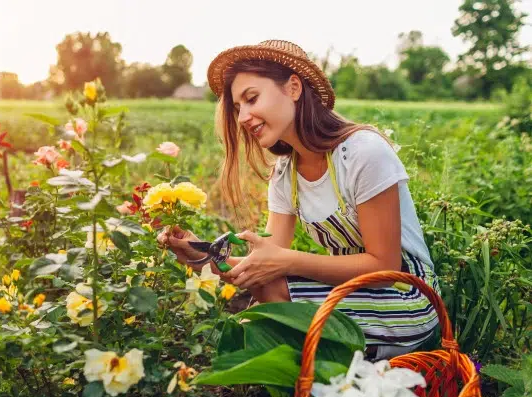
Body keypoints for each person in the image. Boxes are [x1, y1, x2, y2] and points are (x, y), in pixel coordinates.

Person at [158, 40, 440, 360]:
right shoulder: (285, 173)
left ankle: (345, 369)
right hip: (356, 291)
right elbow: (263, 266)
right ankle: (339, 370)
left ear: (293, 87)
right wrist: (202, 255)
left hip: (407, 296)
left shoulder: (363, 153)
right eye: (238, 108)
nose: (243, 117)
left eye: (252, 99)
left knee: (270, 305)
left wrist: (288, 261)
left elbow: (384, 264)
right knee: (266, 287)